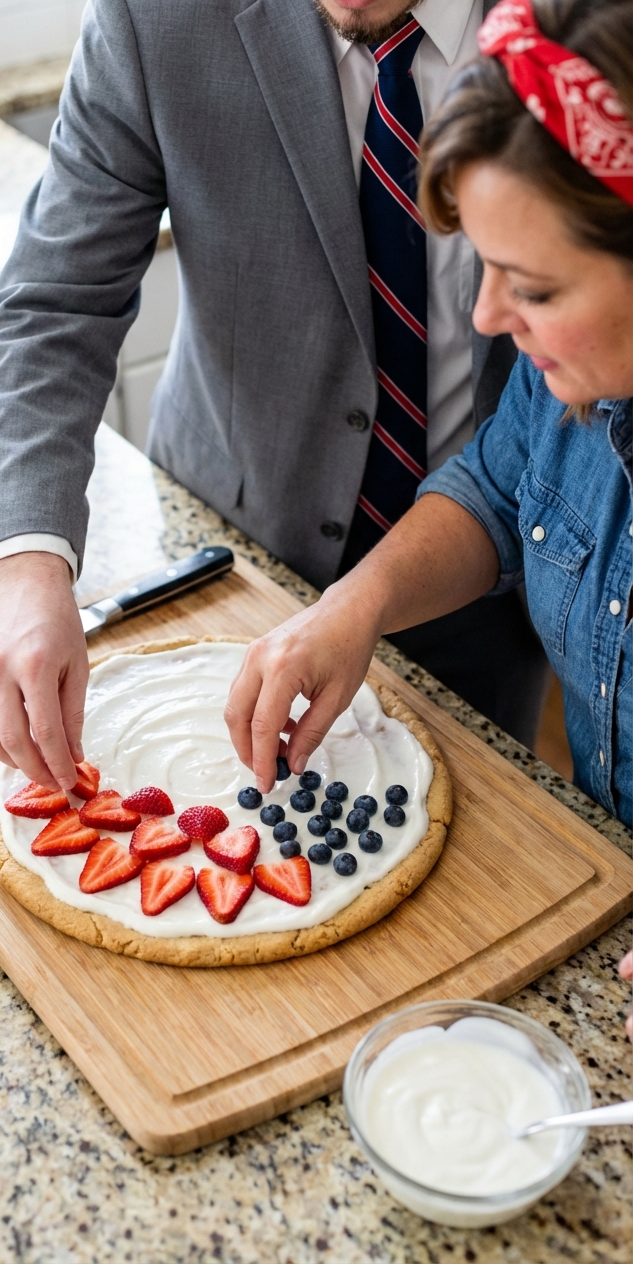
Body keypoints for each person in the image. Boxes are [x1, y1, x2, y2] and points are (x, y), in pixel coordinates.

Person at [0, 0, 550, 798]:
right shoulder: (155, 16)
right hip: (235, 557)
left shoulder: (585, 21)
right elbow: (55, 303)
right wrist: (26, 568)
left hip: (488, 567)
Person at [225, 0, 633, 838]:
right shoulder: (564, 384)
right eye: (485, 266)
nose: (486, 317)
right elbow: (496, 488)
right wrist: (356, 604)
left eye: (535, 287)